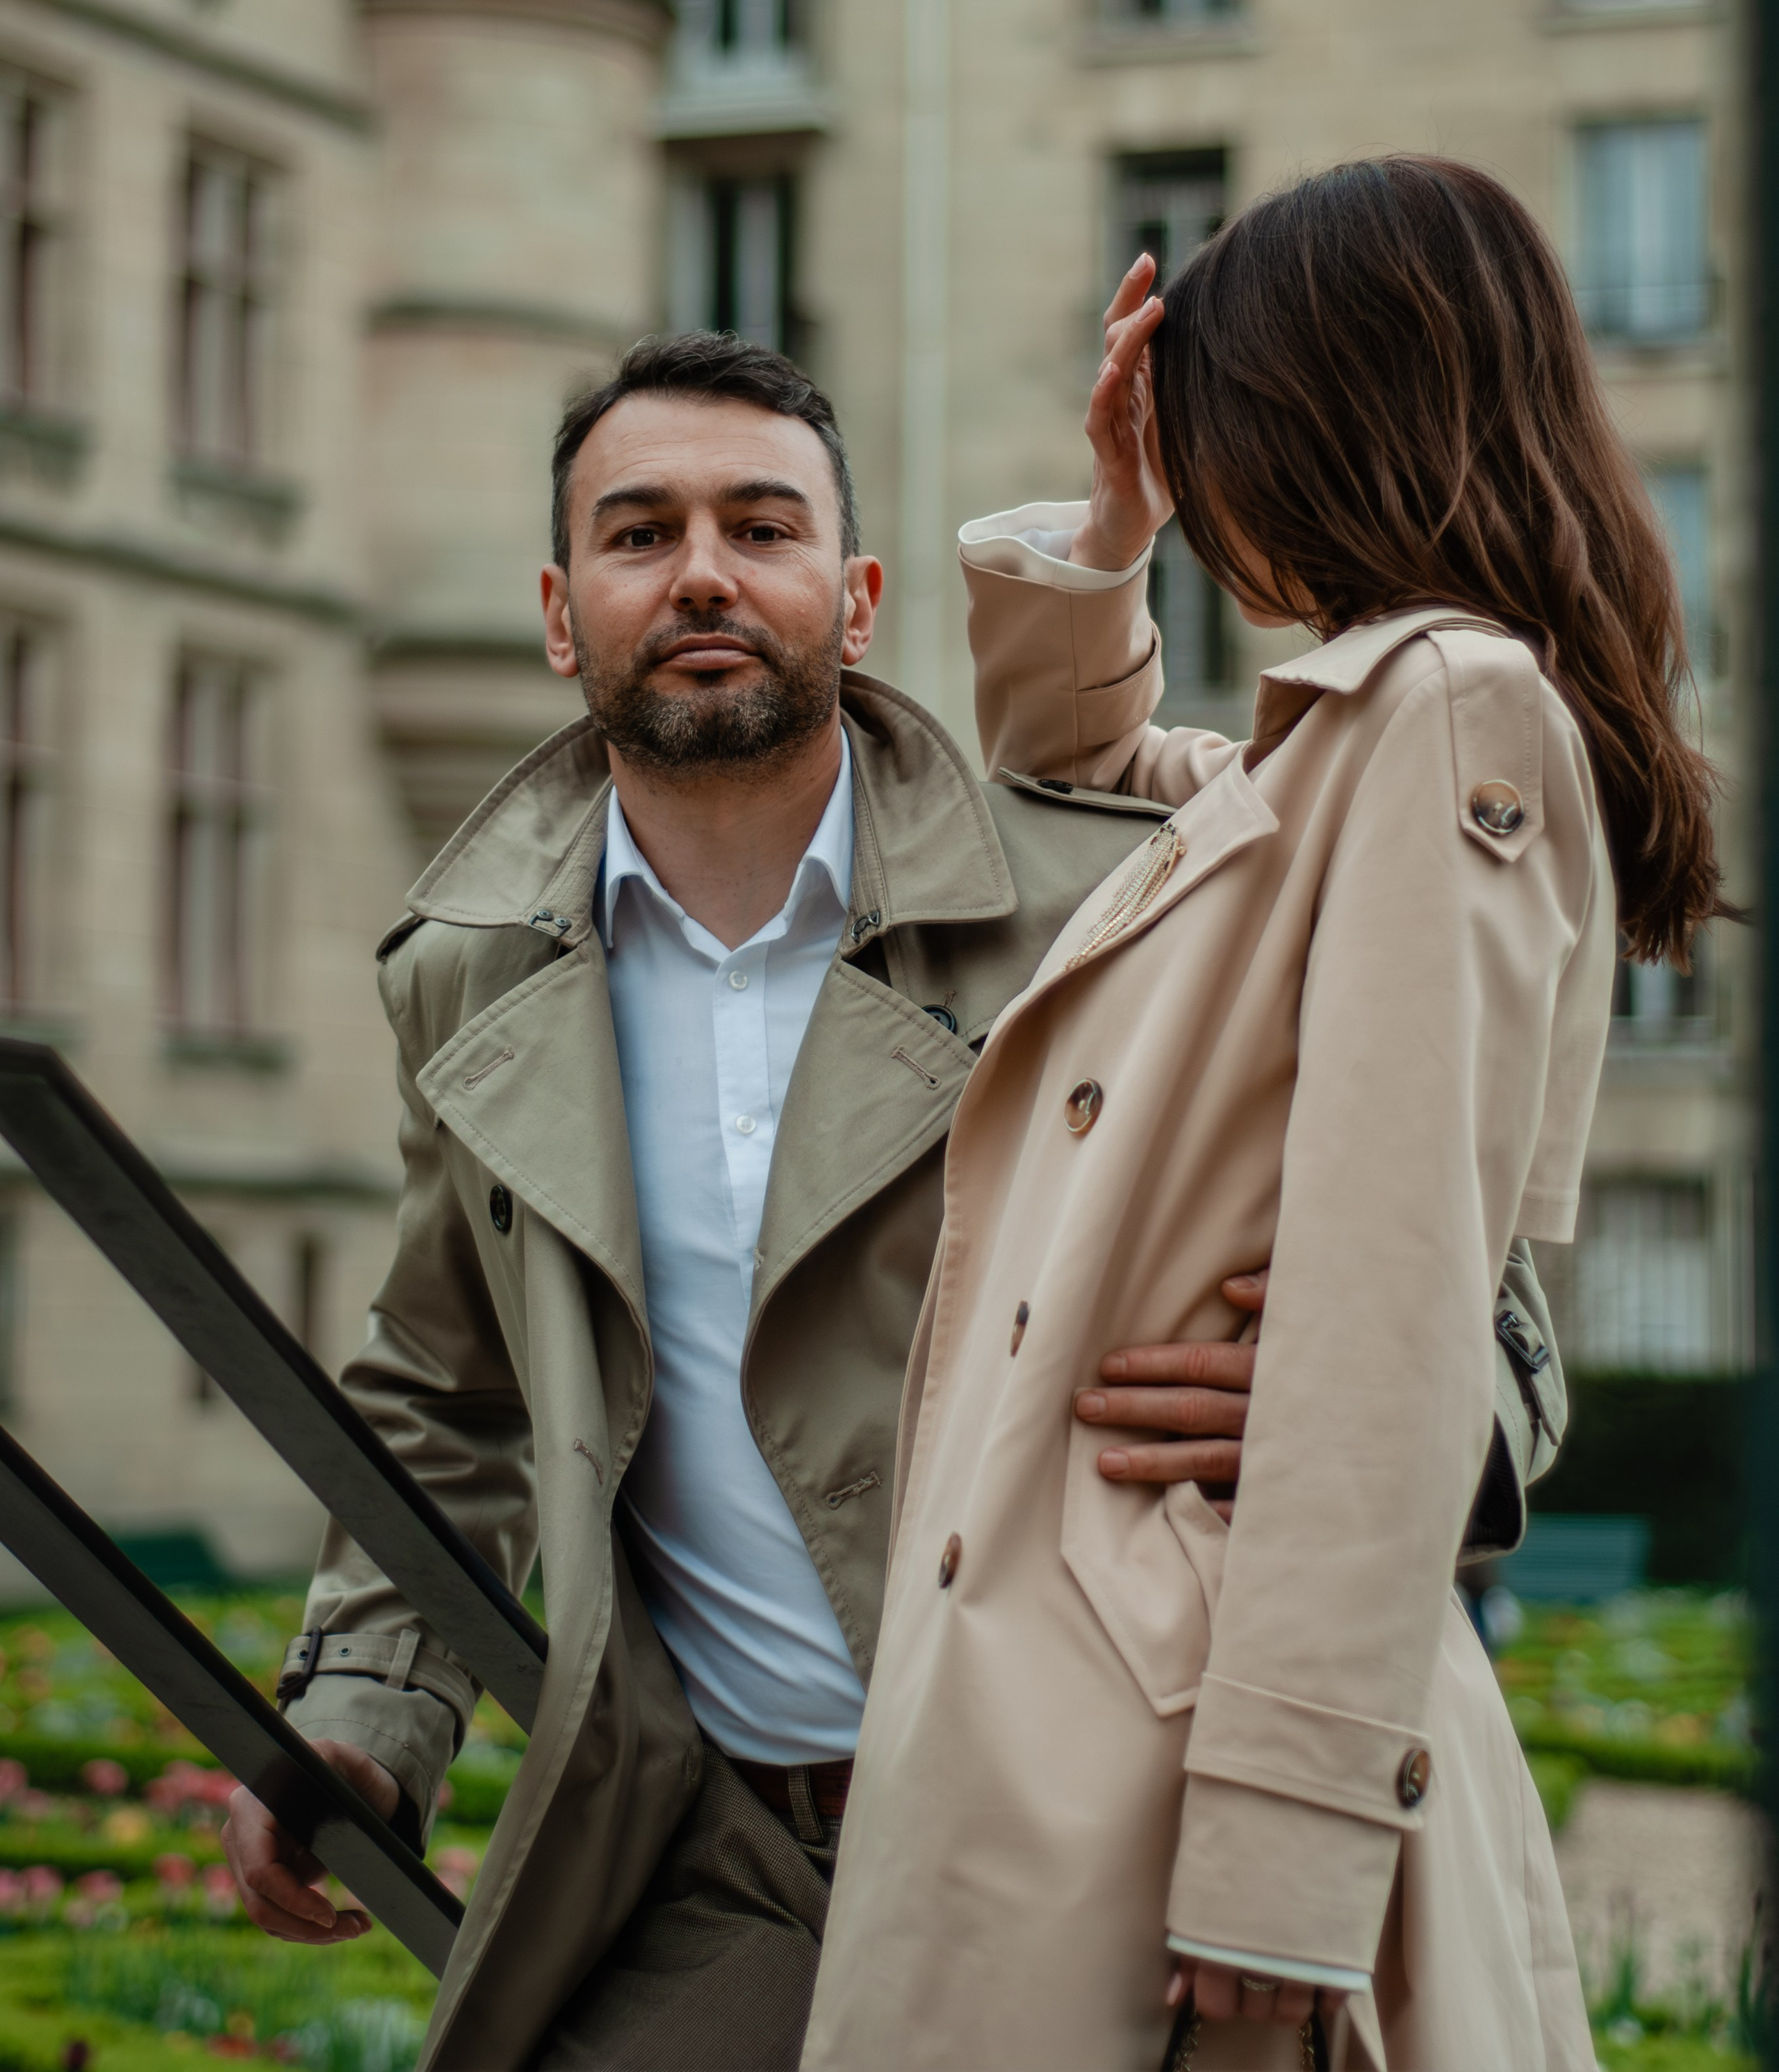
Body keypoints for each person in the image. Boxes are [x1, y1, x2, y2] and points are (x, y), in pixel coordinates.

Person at [220, 332, 1561, 2072]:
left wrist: (1382, 1418)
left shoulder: (1115, 883)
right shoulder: (462, 978)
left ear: (852, 599)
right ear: (561, 616)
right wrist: (363, 1714)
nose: (701, 570)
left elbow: (1479, 1277)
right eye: (638, 534)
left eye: (759, 526)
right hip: (714, 1856)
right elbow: (448, 1387)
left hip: (1094, 1821)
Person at [803, 158, 1725, 2072]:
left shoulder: (1443, 710)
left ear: (1318, 410)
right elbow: (1077, 778)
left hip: (1182, 1728)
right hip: (1119, 1696)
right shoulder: (1339, 743)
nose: (1209, 493)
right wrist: (1116, 523)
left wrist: (1281, 1862)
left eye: (1216, 435)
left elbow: (1398, 1301)